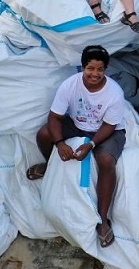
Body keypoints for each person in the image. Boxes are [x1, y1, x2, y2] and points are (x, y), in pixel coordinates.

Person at [26, 45, 126, 248]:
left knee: (106, 160)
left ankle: (103, 219)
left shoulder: (114, 93)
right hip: (77, 124)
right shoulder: (69, 85)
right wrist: (59, 143)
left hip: (107, 131)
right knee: (45, 134)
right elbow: (54, 117)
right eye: (90, 68)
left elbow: (109, 125)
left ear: (105, 70)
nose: (94, 74)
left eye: (100, 70)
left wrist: (91, 144)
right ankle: (49, 164)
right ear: (82, 67)